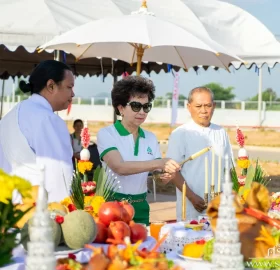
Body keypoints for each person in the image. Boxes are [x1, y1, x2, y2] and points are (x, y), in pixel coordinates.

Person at [97, 76, 180, 225]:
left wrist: (164, 175)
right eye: (136, 106)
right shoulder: (107, 134)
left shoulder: (150, 137)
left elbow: (155, 173)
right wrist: (159, 163)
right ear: (121, 108)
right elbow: (119, 167)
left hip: (141, 206)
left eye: (146, 106)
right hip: (113, 207)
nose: (142, 112)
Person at [0, 60, 75, 203]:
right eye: (69, 87)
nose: (73, 93)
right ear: (51, 86)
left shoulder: (12, 114)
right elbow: (59, 179)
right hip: (37, 214)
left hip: (8, 212)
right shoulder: (48, 119)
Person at [166, 87, 233, 221]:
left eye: (208, 105)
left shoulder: (221, 132)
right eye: (198, 106)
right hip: (191, 208)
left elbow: (228, 169)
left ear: (214, 106)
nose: (203, 110)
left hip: (218, 208)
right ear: (189, 107)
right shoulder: (180, 134)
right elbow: (173, 172)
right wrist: (192, 197)